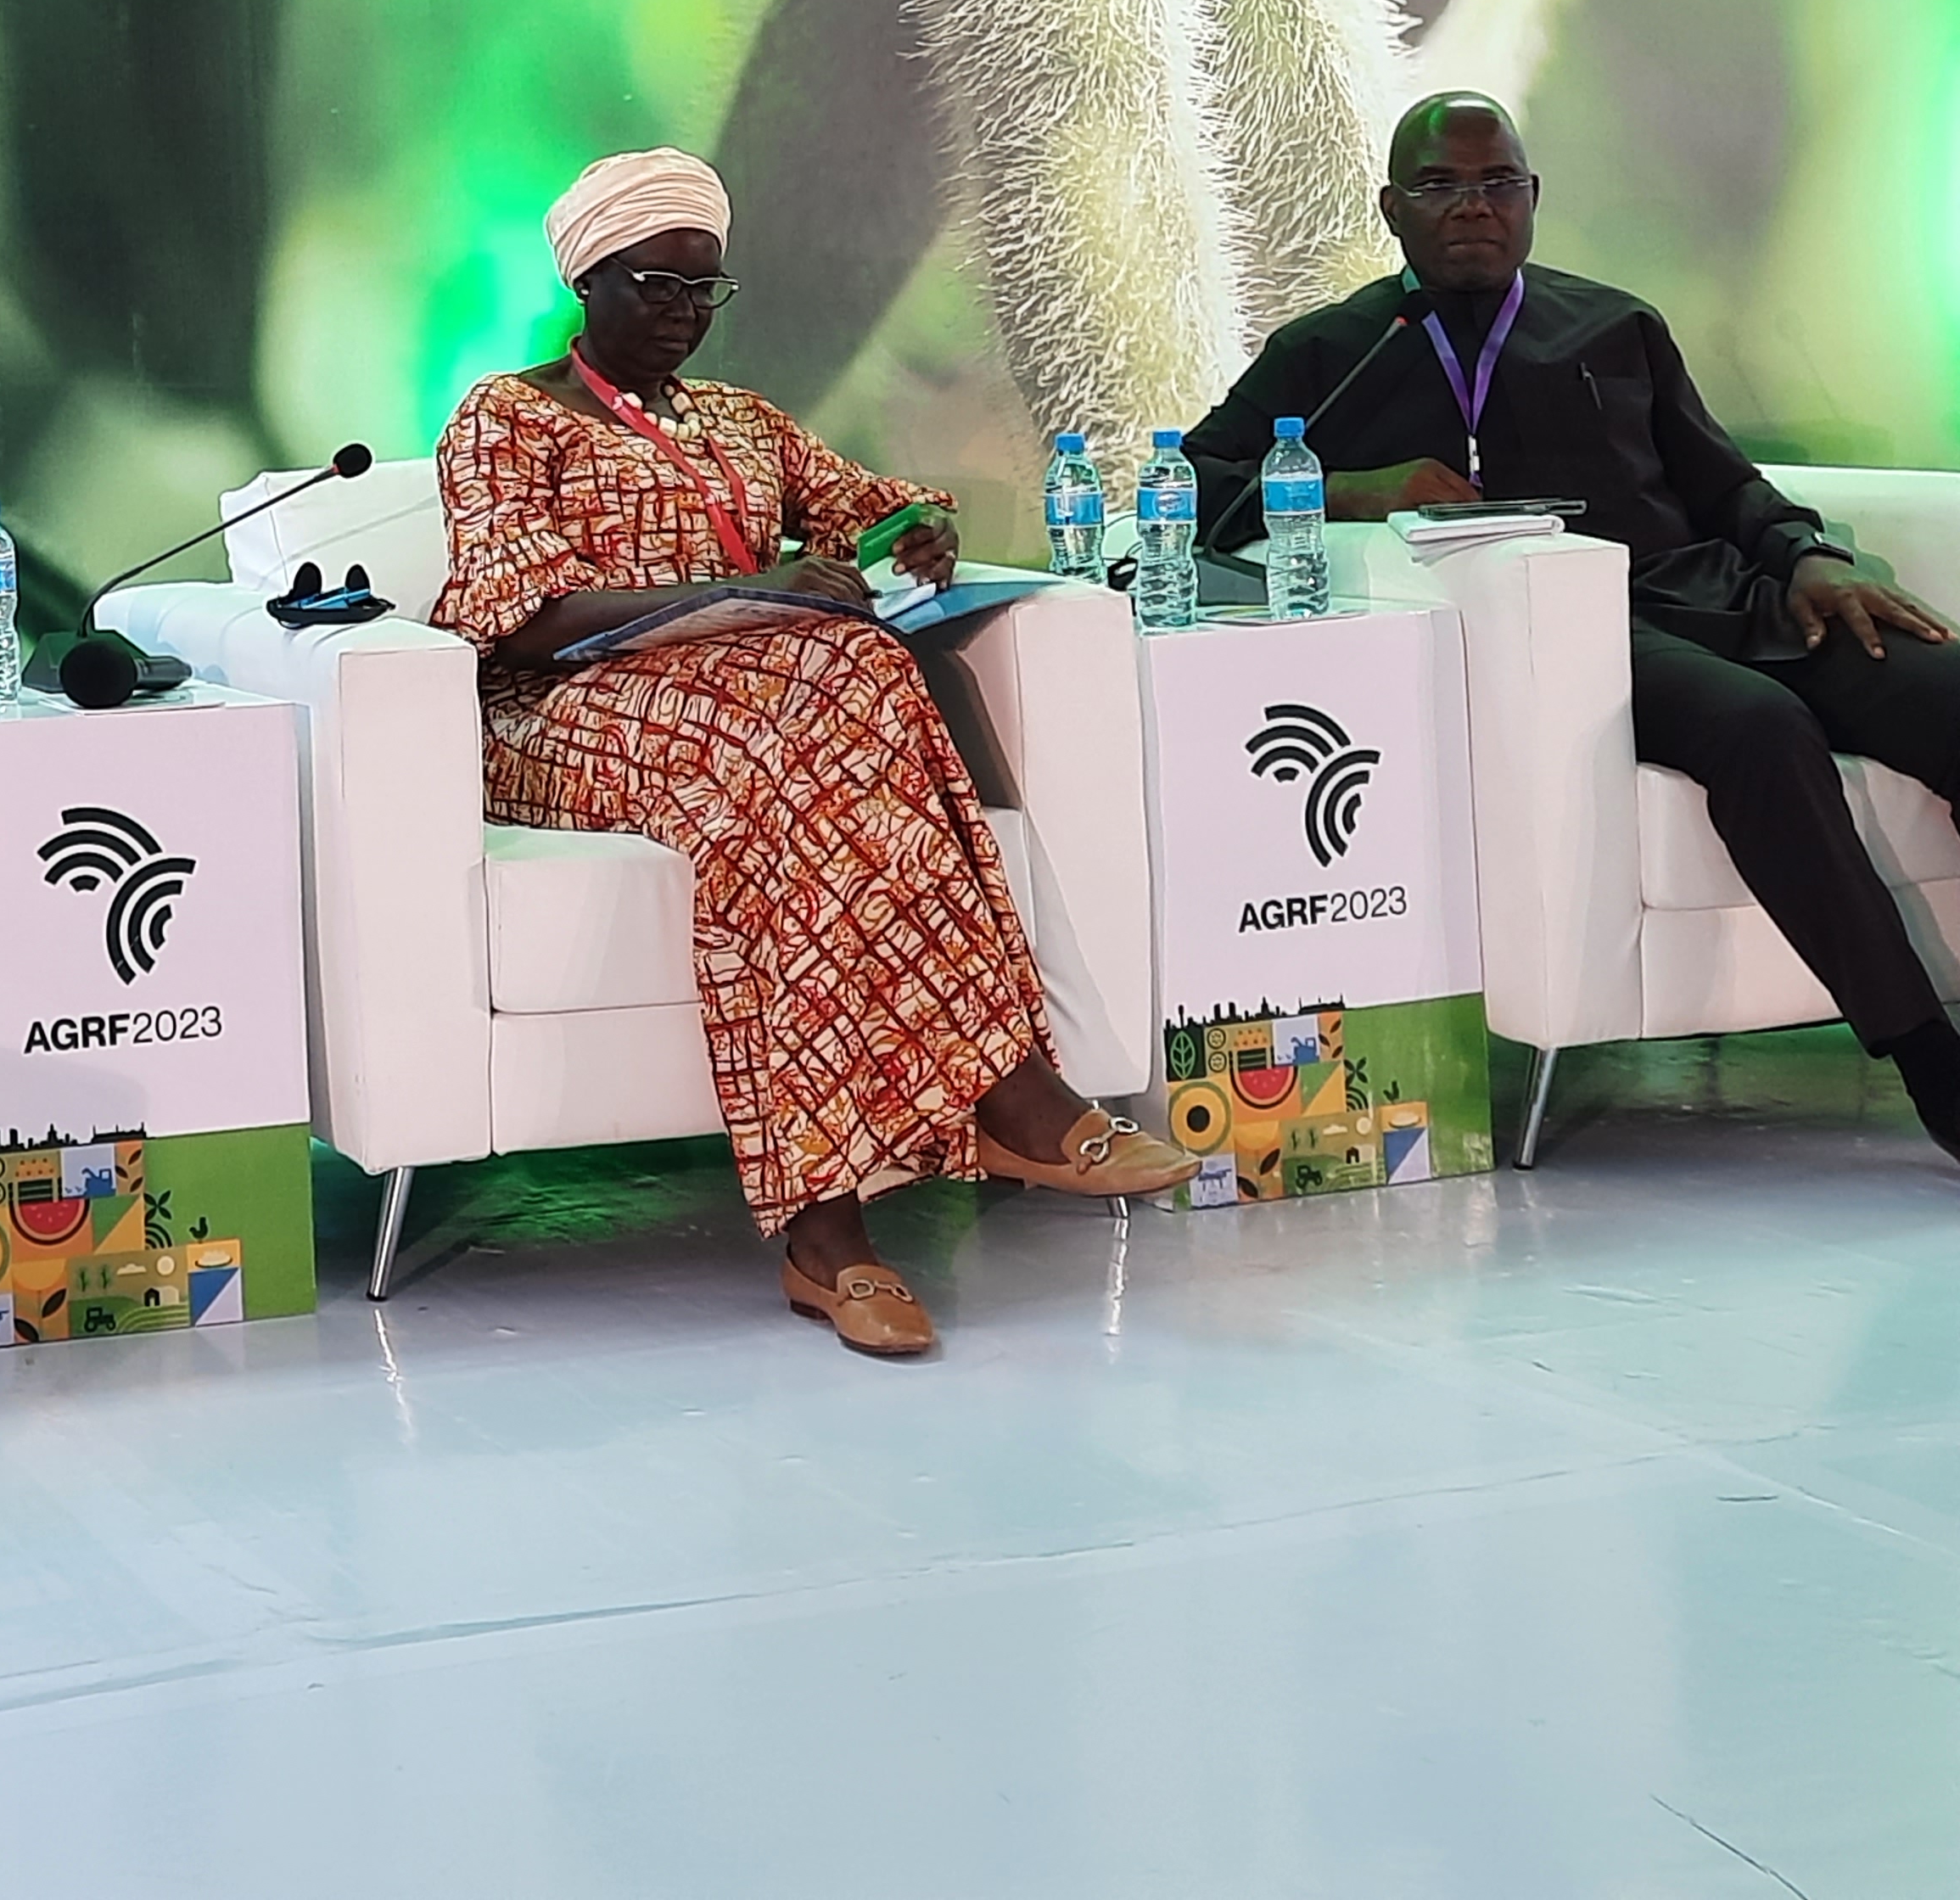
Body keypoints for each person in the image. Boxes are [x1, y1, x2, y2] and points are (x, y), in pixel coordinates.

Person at [429, 149, 1198, 1355]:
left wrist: (919, 531)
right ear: (590, 281)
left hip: (753, 711)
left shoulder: (744, 422)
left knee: (850, 682)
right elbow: (522, 614)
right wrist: (746, 588)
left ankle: (838, 1230)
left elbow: (868, 507)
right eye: (657, 286)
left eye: (704, 290)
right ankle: (973, 1124)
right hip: (565, 712)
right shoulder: (509, 417)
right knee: (811, 704)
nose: (684, 314)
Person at [1189, 91, 1960, 1161]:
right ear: (1390, 207)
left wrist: (1807, 555)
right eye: (1441, 186)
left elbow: (1723, 479)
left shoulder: (1613, 323)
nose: (1473, 207)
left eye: (1498, 183)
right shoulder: (1333, 351)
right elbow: (1192, 483)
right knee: (1759, 728)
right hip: (1583, 643)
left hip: (1715, 592)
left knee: (1941, 690)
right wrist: (1354, 488)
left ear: (1532, 199)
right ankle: (1929, 1059)